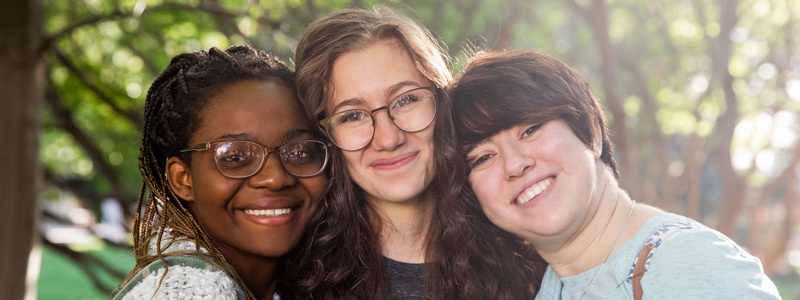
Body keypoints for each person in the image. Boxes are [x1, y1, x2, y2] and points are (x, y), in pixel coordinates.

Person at [450, 49, 781, 299]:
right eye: (482, 158)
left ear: (591, 133)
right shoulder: (552, 287)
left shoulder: (686, 265)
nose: (514, 164)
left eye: (530, 130)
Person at [281, 6, 546, 300]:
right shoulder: (294, 281)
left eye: (405, 99)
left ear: (441, 101)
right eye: (352, 116)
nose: (388, 139)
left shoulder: (530, 247)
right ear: (326, 137)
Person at [114, 45, 330, 300]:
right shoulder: (192, 292)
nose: (276, 178)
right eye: (235, 157)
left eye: (299, 152)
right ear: (183, 180)